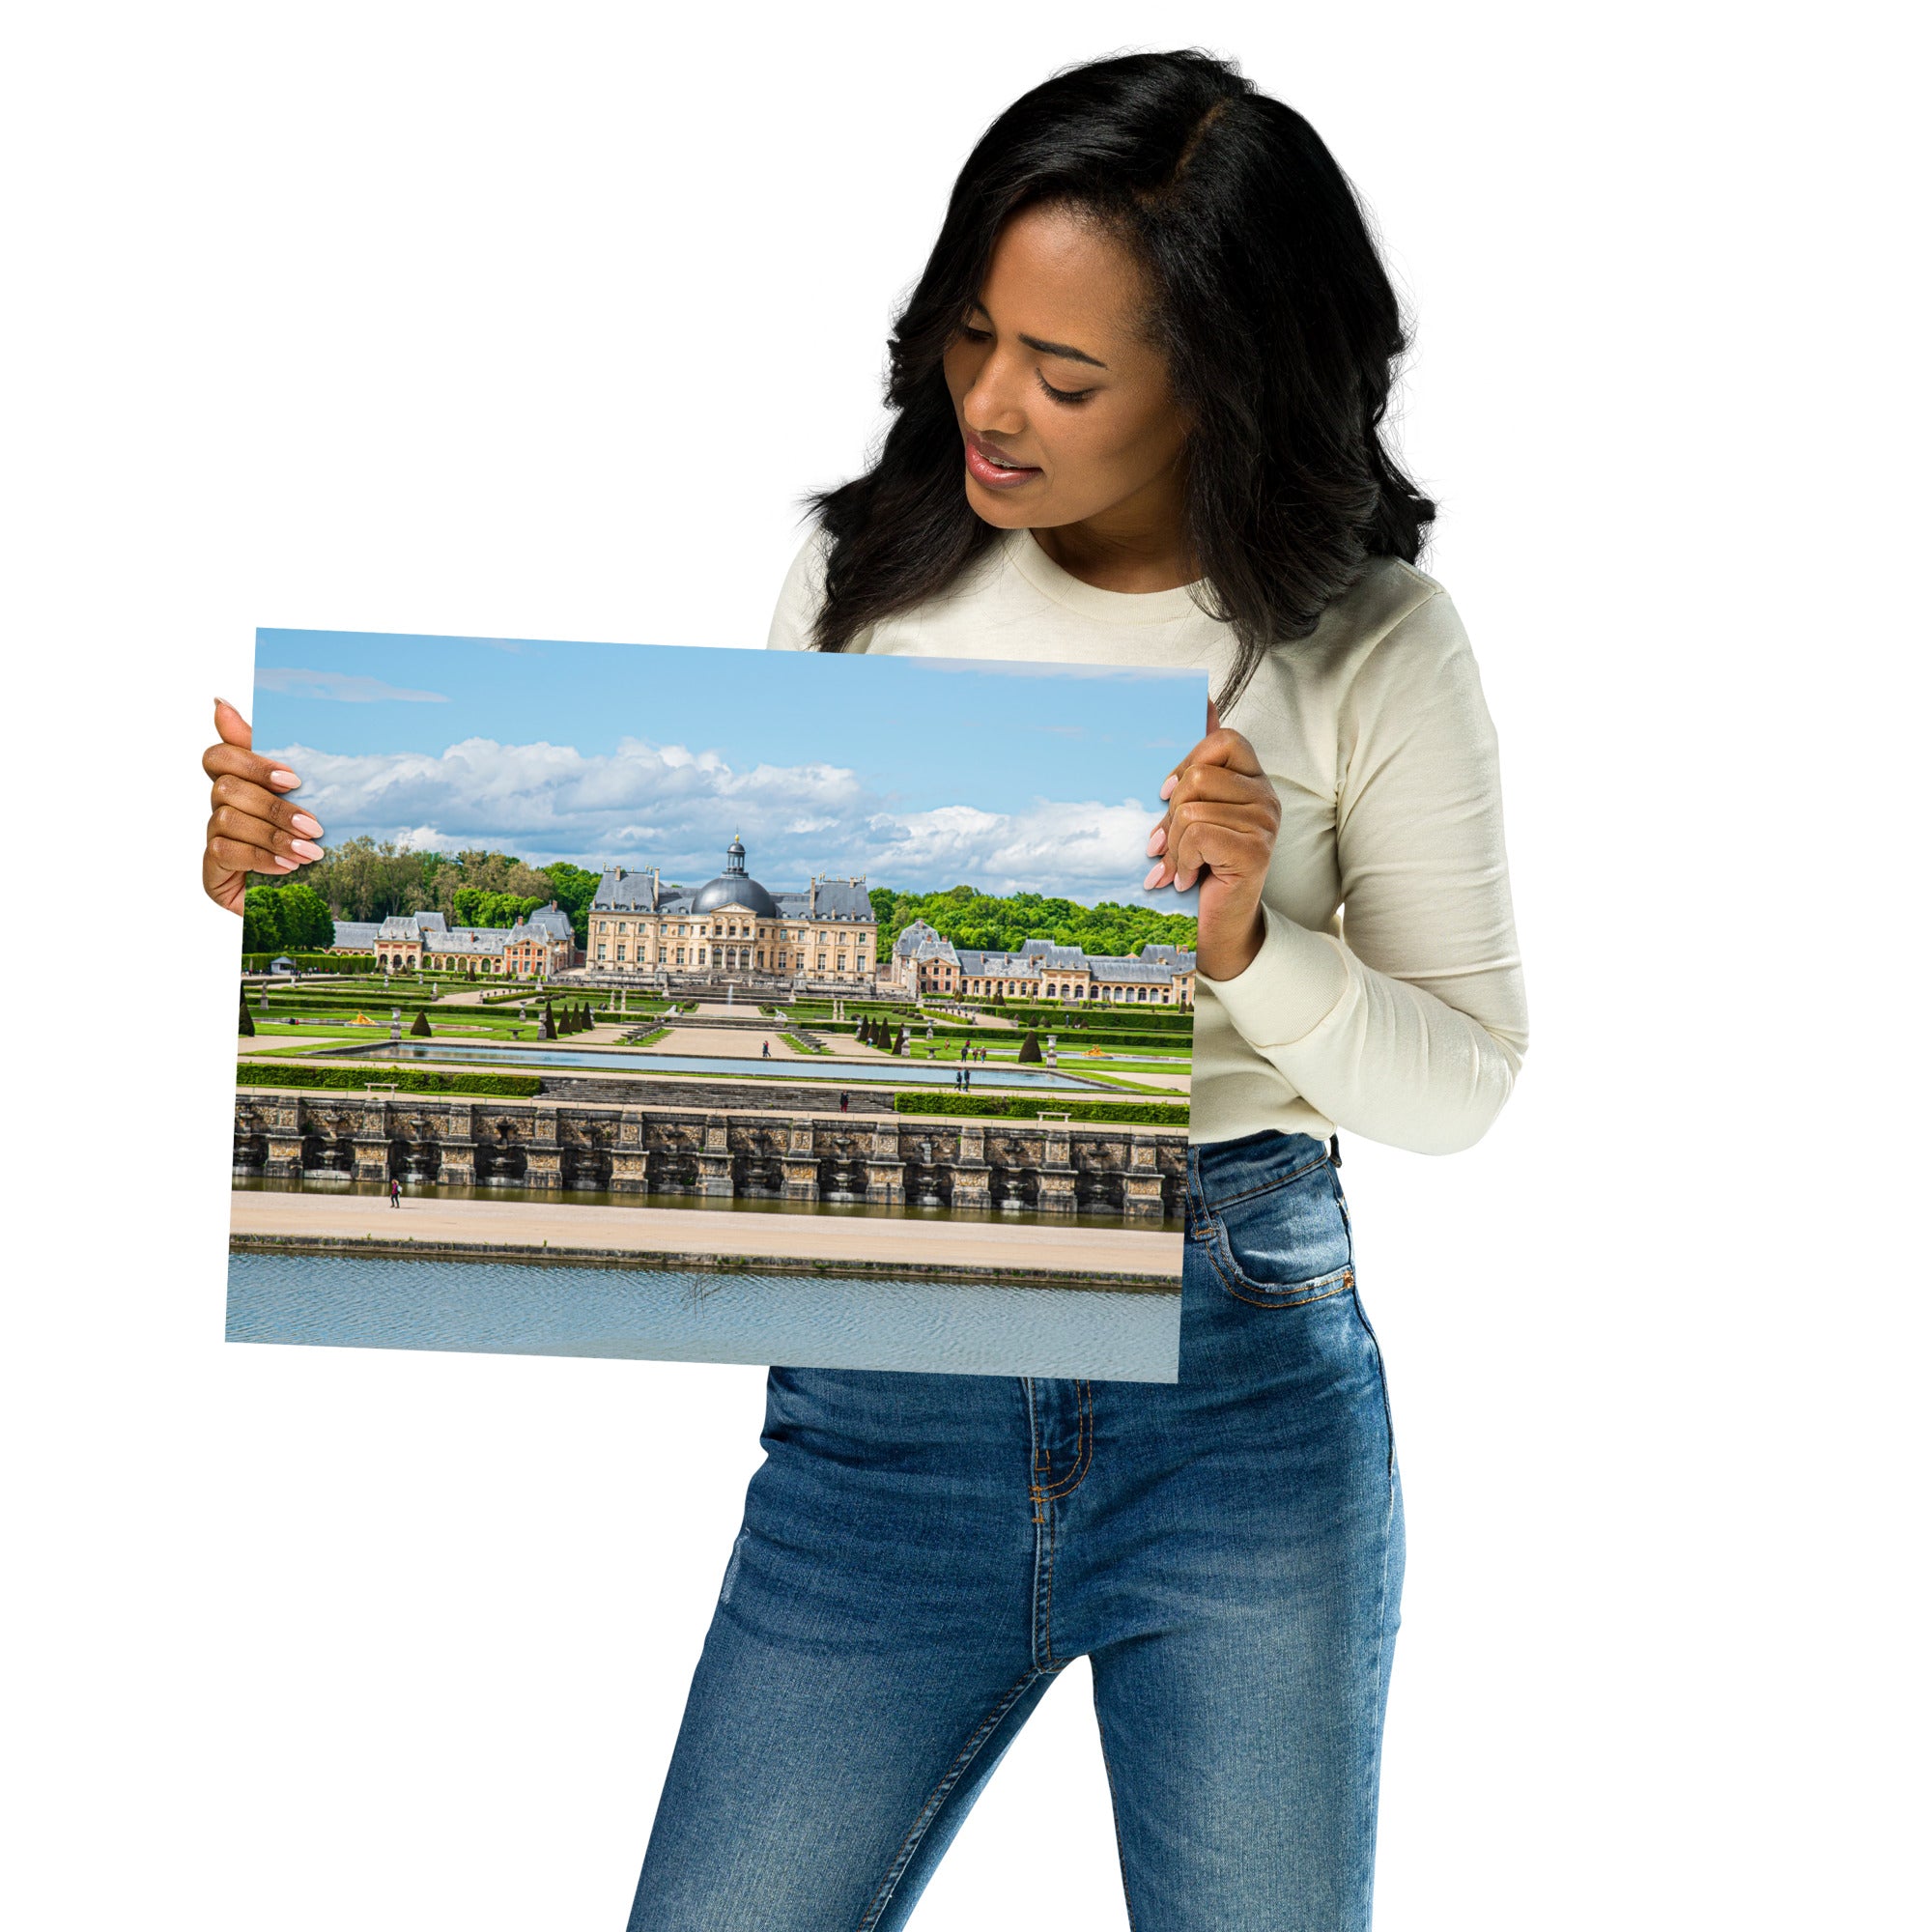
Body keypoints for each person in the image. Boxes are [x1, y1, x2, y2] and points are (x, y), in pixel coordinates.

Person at [197, 48, 1527, 1929]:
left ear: (1221, 383)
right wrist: (312, 880)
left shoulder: (1374, 642)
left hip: (1235, 1395)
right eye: (972, 334)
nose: (990, 402)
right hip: (882, 1422)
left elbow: (1464, 1080)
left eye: (1064, 375)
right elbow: (698, 1093)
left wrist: (1246, 946)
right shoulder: (859, 574)